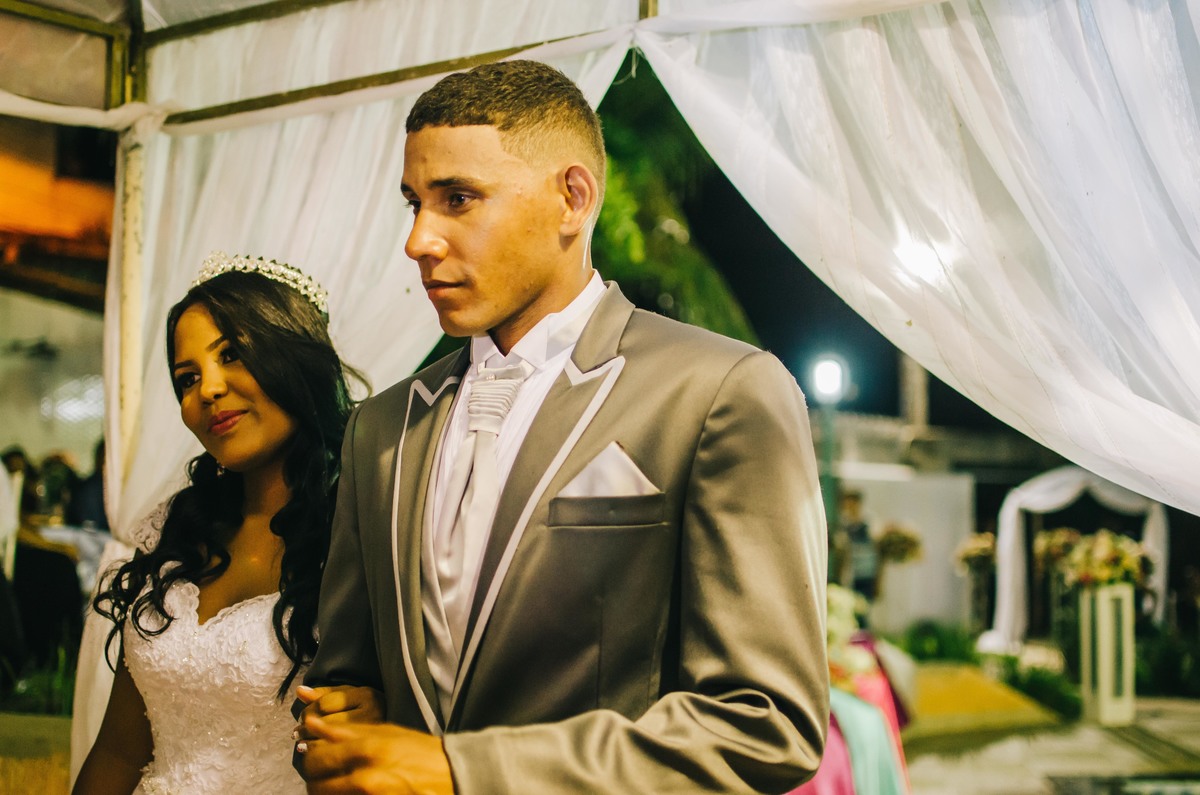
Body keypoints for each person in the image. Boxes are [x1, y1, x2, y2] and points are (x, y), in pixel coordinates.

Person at [295, 60, 829, 794]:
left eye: (458, 199)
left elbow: (763, 722)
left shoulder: (719, 392)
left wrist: (464, 772)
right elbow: (347, 676)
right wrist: (342, 716)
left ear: (572, 199)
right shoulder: (380, 428)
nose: (418, 240)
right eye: (415, 203)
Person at [74, 254, 380, 794]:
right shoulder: (175, 531)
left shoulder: (362, 528)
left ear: (294, 356)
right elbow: (119, 752)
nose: (207, 390)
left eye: (231, 354)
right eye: (187, 378)